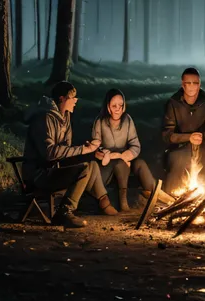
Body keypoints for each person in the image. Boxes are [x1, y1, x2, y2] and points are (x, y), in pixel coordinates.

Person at [23, 81, 119, 228]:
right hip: (39, 174)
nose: (76, 101)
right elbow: (49, 153)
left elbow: (65, 151)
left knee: (91, 164)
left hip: (55, 169)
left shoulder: (65, 117)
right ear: (62, 99)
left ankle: (102, 200)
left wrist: (91, 152)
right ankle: (66, 211)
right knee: (84, 168)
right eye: (72, 97)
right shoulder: (44, 118)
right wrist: (81, 150)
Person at [91, 88, 156, 211]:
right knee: (119, 163)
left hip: (125, 159)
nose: (118, 109)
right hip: (107, 162)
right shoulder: (100, 121)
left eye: (120, 105)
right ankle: (123, 201)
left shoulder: (127, 120)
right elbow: (95, 145)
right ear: (108, 106)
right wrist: (107, 154)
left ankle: (155, 193)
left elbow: (135, 144)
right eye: (114, 105)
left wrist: (125, 155)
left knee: (140, 164)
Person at [162, 67, 205, 195]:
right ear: (183, 84)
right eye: (188, 83)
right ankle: (174, 198)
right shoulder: (173, 103)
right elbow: (167, 135)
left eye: (195, 83)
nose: (192, 87)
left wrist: (202, 137)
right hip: (179, 148)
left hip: (202, 146)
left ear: (200, 84)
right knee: (178, 161)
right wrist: (188, 137)